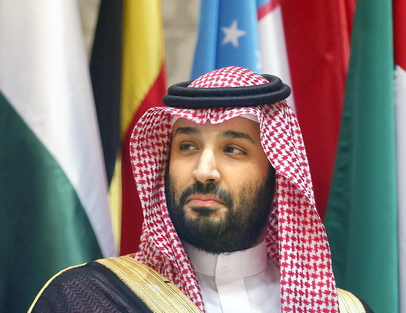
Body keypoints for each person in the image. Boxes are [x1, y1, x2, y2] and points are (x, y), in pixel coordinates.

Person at [28, 66, 372, 312]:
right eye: (188, 147)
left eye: (233, 150)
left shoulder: (344, 309)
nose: (204, 171)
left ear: (276, 175)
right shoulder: (87, 300)